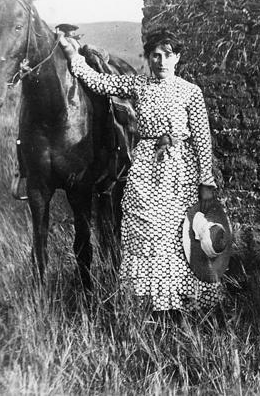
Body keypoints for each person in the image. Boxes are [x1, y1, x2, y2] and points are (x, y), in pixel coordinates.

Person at [58, 28, 223, 312]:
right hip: (146, 170)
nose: (160, 61)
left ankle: (181, 302)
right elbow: (99, 82)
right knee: (145, 230)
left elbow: (202, 138)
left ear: (177, 58)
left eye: (167, 55)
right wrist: (73, 55)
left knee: (176, 235)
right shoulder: (139, 85)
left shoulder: (190, 92)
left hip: (179, 172)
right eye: (154, 56)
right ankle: (153, 302)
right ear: (148, 58)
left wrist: (206, 181)